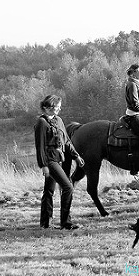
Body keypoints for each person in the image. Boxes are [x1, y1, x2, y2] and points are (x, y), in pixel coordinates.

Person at [35, 94, 84, 229]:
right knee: (68, 187)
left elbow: (67, 141)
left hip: (59, 158)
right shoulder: (41, 123)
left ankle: (45, 224)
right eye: (56, 107)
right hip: (50, 160)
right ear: (46, 107)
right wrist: (43, 165)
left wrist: (76, 156)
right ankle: (66, 223)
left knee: (49, 191)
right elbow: (40, 146)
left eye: (59, 107)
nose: (58, 109)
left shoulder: (59, 120)